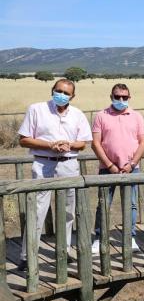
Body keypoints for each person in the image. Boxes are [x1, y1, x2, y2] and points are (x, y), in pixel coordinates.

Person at [17, 79, 92, 270]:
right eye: (58, 91)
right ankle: (27, 255)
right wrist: (50, 145)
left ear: (73, 96)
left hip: (69, 164)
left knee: (68, 210)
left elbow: (82, 143)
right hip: (44, 164)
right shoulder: (36, 109)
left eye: (66, 93)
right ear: (52, 90)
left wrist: (67, 145)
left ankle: (64, 251)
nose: (62, 95)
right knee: (37, 209)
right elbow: (24, 140)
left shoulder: (78, 114)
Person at [92, 83, 144, 255]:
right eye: (117, 97)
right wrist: (110, 165)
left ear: (129, 98)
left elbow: (143, 142)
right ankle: (99, 238)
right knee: (103, 204)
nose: (121, 100)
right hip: (107, 168)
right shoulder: (101, 116)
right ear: (111, 97)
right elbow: (95, 143)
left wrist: (131, 164)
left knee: (131, 204)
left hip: (131, 168)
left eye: (124, 97)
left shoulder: (137, 116)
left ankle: (129, 237)